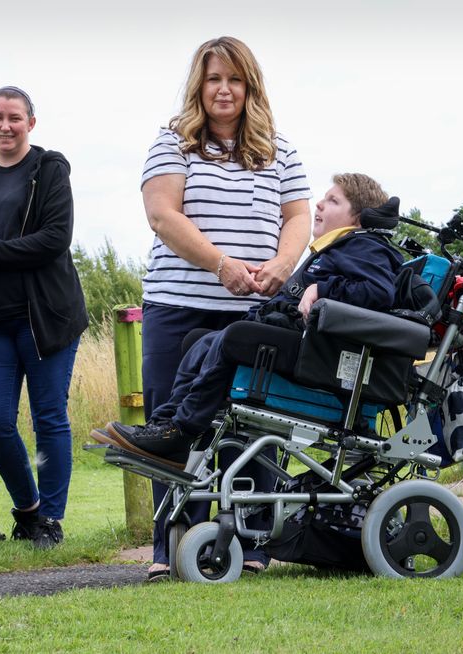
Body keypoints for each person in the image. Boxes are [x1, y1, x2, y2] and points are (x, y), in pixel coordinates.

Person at [138, 36, 313, 580]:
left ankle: (252, 544)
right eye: (214, 78)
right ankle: (174, 548)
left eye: (234, 79)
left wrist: (283, 266)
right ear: (200, 85)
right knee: (174, 422)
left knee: (258, 424)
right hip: (179, 306)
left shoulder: (281, 151)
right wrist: (221, 264)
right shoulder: (172, 143)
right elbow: (163, 215)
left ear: (249, 87)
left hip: (255, 312)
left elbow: (299, 219)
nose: (224, 89)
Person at [95, 173, 402, 477]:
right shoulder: (337, 249)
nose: (319, 204)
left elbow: (378, 293)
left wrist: (321, 290)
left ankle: (183, 430)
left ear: (359, 219)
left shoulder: (367, 246)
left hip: (323, 356)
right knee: (200, 340)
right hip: (300, 339)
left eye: (333, 200)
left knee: (235, 337)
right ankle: (165, 427)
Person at [0, 86, 88, 550]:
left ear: (31, 122)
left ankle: (51, 519)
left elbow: (54, 239)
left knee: (49, 417)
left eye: (14, 118)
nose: (5, 126)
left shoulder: (50, 169)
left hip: (45, 317)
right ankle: (27, 510)